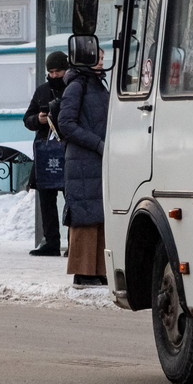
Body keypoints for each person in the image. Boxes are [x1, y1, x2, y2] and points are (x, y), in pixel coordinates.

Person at [57, 48, 109, 288]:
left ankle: (98, 270)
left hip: (97, 159)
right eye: (98, 57)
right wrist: (98, 144)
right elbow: (66, 124)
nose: (102, 61)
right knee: (85, 214)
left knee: (99, 213)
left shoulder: (98, 84)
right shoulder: (77, 86)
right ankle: (82, 271)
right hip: (83, 160)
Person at [22, 51, 68, 257]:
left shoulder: (73, 89)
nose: (54, 75)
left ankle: (74, 243)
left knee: (72, 199)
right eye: (51, 72)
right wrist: (38, 120)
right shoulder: (42, 91)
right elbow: (27, 119)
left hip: (68, 151)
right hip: (46, 152)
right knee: (46, 200)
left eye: (58, 71)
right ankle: (51, 242)